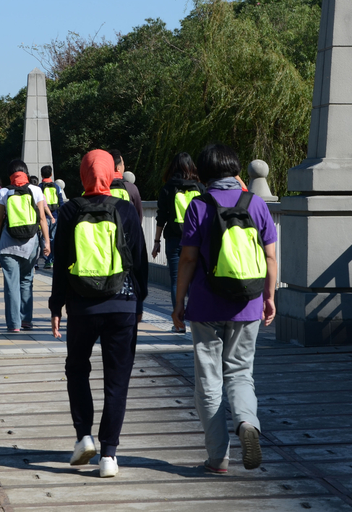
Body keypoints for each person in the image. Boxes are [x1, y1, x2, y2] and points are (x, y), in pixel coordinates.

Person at [171, 143, 277, 474]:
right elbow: (270, 256)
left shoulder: (199, 206)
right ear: (235, 170)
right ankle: (247, 422)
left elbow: (188, 259)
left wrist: (179, 302)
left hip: (206, 304)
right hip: (248, 301)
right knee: (241, 373)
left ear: (202, 174)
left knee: (209, 380)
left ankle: (218, 458)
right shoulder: (256, 203)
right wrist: (269, 297)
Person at [50, 150, 148, 479]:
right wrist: (139, 302)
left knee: (77, 369)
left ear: (83, 174)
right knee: (116, 380)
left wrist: (56, 306)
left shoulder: (70, 210)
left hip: (82, 305)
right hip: (122, 304)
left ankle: (84, 437)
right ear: (110, 173)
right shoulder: (125, 208)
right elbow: (139, 261)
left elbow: (61, 263)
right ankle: (109, 455)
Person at [0, 160, 51, 332]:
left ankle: (14, 324)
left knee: (11, 284)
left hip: (8, 245)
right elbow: (42, 219)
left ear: (10, 175)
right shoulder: (36, 190)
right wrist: (47, 242)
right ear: (26, 172)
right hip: (30, 244)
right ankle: (26, 320)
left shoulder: (4, 192)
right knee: (26, 281)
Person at [152, 152, 205, 331]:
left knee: (176, 280)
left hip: (175, 240)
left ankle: (179, 324)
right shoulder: (200, 188)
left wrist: (157, 241)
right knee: (196, 280)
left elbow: (161, 217)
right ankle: (197, 321)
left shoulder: (168, 188)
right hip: (197, 241)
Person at [39, 165, 65, 269]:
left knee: (44, 239)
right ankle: (53, 259)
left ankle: (47, 260)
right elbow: (61, 202)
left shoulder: (39, 187)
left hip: (44, 217)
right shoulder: (57, 187)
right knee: (53, 238)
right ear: (51, 174)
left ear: (41, 175)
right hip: (55, 216)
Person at [106, 149, 143, 219]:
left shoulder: (96, 187)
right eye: (123, 164)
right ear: (118, 168)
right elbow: (138, 217)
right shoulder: (131, 188)